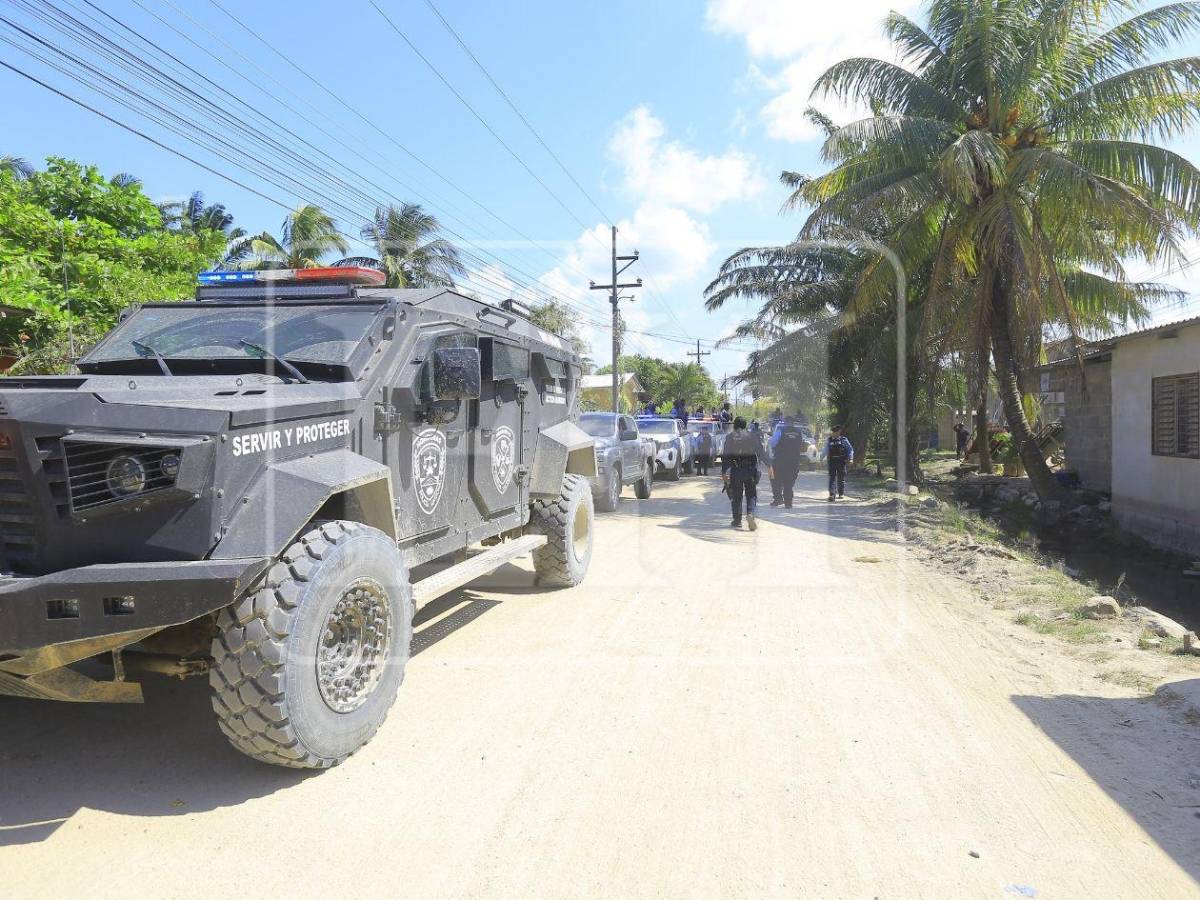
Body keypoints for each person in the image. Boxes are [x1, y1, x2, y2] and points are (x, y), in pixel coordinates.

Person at [721, 417, 772, 530]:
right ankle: (750, 514)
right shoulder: (752, 436)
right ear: (745, 425)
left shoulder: (730, 437)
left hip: (736, 470)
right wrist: (769, 465)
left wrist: (724, 472)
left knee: (736, 495)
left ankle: (737, 521)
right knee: (751, 494)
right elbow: (761, 452)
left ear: (735, 425)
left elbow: (726, 456)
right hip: (750, 470)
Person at [769, 415, 808, 508]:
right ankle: (788, 503)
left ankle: (778, 499)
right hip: (794, 461)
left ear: (785, 422)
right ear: (793, 422)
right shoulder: (799, 432)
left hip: (780, 460)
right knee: (789, 482)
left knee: (775, 480)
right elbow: (801, 444)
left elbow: (772, 443)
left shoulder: (780, 431)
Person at [824, 425, 854, 501]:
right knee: (832, 478)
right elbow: (825, 450)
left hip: (841, 461)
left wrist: (851, 459)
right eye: (833, 432)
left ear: (839, 432)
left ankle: (841, 493)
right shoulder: (829, 440)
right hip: (832, 461)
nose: (834, 433)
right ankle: (832, 495)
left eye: (836, 432)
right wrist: (821, 458)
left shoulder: (844, 440)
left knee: (841, 478)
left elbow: (850, 449)